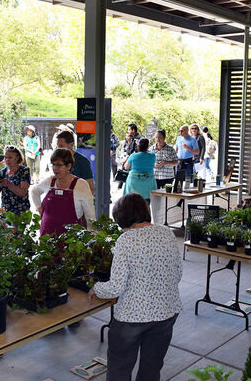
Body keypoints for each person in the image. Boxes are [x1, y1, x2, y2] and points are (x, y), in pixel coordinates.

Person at [88, 193, 182, 381]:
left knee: (120, 367)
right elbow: (178, 273)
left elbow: (116, 287)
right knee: (152, 368)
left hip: (132, 317)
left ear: (122, 217)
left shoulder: (126, 240)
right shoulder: (166, 232)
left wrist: (96, 288)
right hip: (167, 312)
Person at [30, 148, 95, 236]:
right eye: (53, 164)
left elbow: (90, 216)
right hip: (47, 236)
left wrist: (92, 236)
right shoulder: (50, 181)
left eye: (59, 165)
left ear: (69, 166)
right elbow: (34, 192)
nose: (55, 169)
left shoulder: (81, 185)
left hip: (71, 239)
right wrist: (39, 208)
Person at [0, 145, 30, 215]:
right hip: (5, 211)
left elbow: (22, 192)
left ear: (17, 158)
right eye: (5, 157)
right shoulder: (3, 172)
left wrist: (8, 184)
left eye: (10, 157)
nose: (7, 160)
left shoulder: (24, 171)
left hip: (20, 211)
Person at [55, 130, 94, 195]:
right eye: (57, 146)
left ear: (71, 144)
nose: (58, 149)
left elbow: (90, 188)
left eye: (61, 146)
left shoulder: (83, 161)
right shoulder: (56, 160)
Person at [123, 138, 157, 203]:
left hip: (134, 184)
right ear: (147, 146)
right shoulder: (152, 155)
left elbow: (126, 167)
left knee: (132, 204)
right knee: (146, 204)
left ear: (138, 146)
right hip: (148, 184)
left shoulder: (133, 156)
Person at [118, 123, 141, 189]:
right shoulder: (133, 138)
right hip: (130, 160)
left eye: (129, 129)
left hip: (135, 162)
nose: (128, 131)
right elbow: (129, 149)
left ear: (133, 130)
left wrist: (126, 157)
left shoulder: (138, 139)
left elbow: (134, 151)